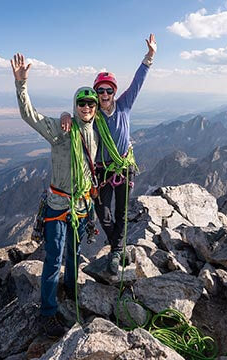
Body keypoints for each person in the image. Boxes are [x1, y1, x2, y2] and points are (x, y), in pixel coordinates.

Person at [11, 53, 99, 338]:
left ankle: (71, 289)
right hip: (59, 205)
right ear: (75, 106)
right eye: (81, 103)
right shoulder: (63, 129)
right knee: (53, 259)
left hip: (82, 205)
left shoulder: (97, 132)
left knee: (74, 253)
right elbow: (29, 115)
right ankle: (47, 313)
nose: (86, 107)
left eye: (91, 103)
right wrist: (21, 84)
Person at [61, 34, 157, 276]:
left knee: (121, 212)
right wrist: (64, 114)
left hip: (123, 167)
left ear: (114, 92)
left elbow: (138, 82)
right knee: (103, 213)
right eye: (100, 91)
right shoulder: (92, 115)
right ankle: (118, 247)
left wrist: (149, 57)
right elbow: (76, 119)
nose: (104, 95)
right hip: (102, 170)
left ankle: (115, 250)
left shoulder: (124, 105)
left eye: (108, 91)